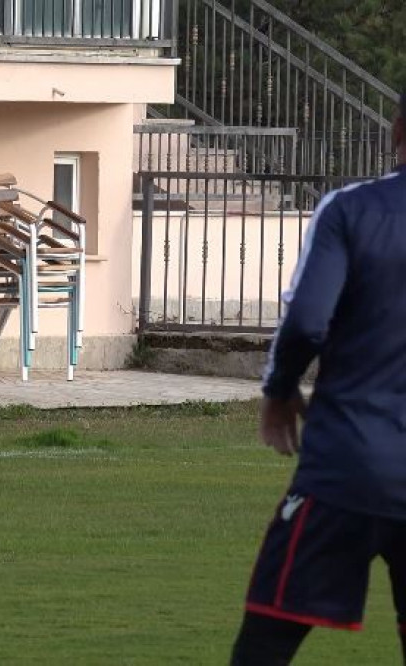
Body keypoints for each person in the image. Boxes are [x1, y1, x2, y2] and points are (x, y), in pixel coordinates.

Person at [230, 92, 406, 665]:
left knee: (267, 641)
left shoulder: (352, 210)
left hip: (348, 467)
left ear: (396, 129)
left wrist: (279, 389)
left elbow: (306, 320)